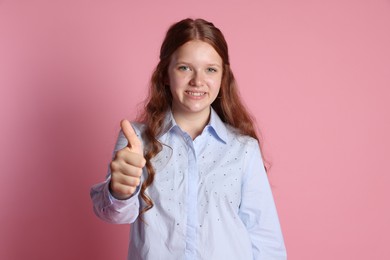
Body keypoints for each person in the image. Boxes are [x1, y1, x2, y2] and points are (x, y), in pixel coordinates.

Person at [90, 18, 287, 260]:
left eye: (210, 69)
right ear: (165, 74)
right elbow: (114, 214)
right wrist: (119, 191)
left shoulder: (244, 148)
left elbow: (265, 238)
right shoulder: (136, 140)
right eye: (184, 67)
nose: (197, 80)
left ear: (223, 78)